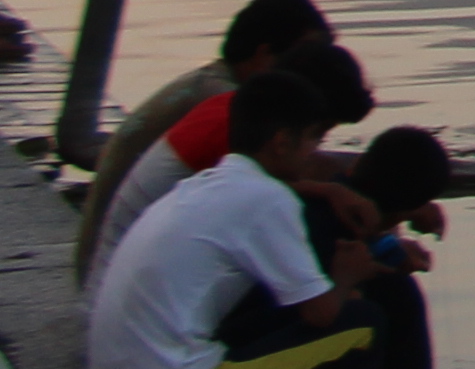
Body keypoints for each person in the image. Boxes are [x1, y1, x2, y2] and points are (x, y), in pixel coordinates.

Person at [83, 64, 475, 369]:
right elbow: (322, 315)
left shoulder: (213, 182)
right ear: (282, 143)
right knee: (361, 327)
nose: (319, 156)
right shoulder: (266, 200)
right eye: (314, 142)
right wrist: (347, 275)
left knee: (346, 313)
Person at [94, 40, 368, 290]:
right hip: (129, 292)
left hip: (127, 284)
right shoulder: (232, 130)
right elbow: (271, 201)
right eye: (317, 133)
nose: (316, 146)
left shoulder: (237, 112)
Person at [74, 0, 328, 236]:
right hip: (116, 263)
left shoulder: (206, 84)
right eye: (303, 59)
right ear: (264, 55)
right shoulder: (226, 104)